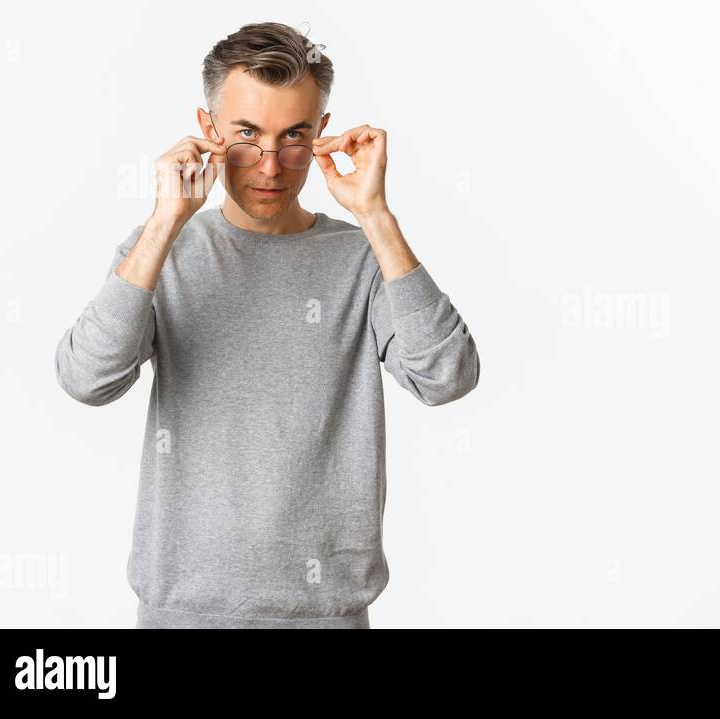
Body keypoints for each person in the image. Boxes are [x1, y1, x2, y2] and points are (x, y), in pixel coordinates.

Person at [53, 21, 480, 628]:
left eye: (295, 136)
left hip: (324, 614)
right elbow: (86, 379)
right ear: (208, 132)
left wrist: (376, 215)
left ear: (322, 135)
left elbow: (447, 376)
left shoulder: (363, 258)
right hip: (182, 613)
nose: (271, 165)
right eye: (247, 135)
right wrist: (163, 223)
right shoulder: (161, 251)